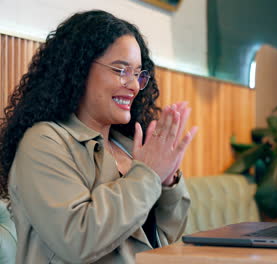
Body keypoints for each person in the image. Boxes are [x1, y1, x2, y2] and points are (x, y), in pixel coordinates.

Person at [0, 10, 198, 263]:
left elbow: (163, 239)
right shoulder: (43, 142)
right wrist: (148, 176)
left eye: (138, 74)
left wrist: (167, 182)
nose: (135, 85)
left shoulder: (127, 146)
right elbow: (79, 240)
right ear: (79, 69)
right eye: (121, 70)